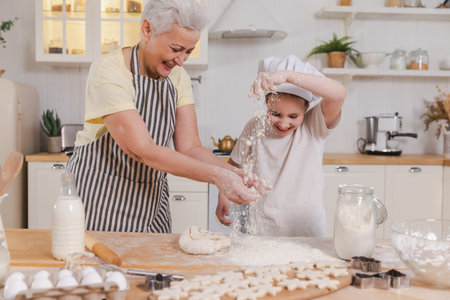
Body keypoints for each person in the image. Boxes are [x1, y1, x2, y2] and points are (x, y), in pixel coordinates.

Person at [67, 0, 265, 233]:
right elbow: (141, 149)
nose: (181, 61)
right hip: (101, 200)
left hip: (151, 200)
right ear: (147, 29)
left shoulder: (177, 77)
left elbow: (190, 147)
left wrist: (234, 175)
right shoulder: (109, 70)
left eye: (188, 52)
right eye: (175, 49)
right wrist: (218, 177)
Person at [216, 55, 346, 236]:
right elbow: (233, 166)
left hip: (306, 230)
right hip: (263, 227)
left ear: (307, 107)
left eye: (293, 116)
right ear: (266, 103)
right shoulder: (255, 126)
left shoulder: (313, 125)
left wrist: (287, 76)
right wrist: (223, 194)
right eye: (275, 114)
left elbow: (339, 93)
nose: (284, 124)